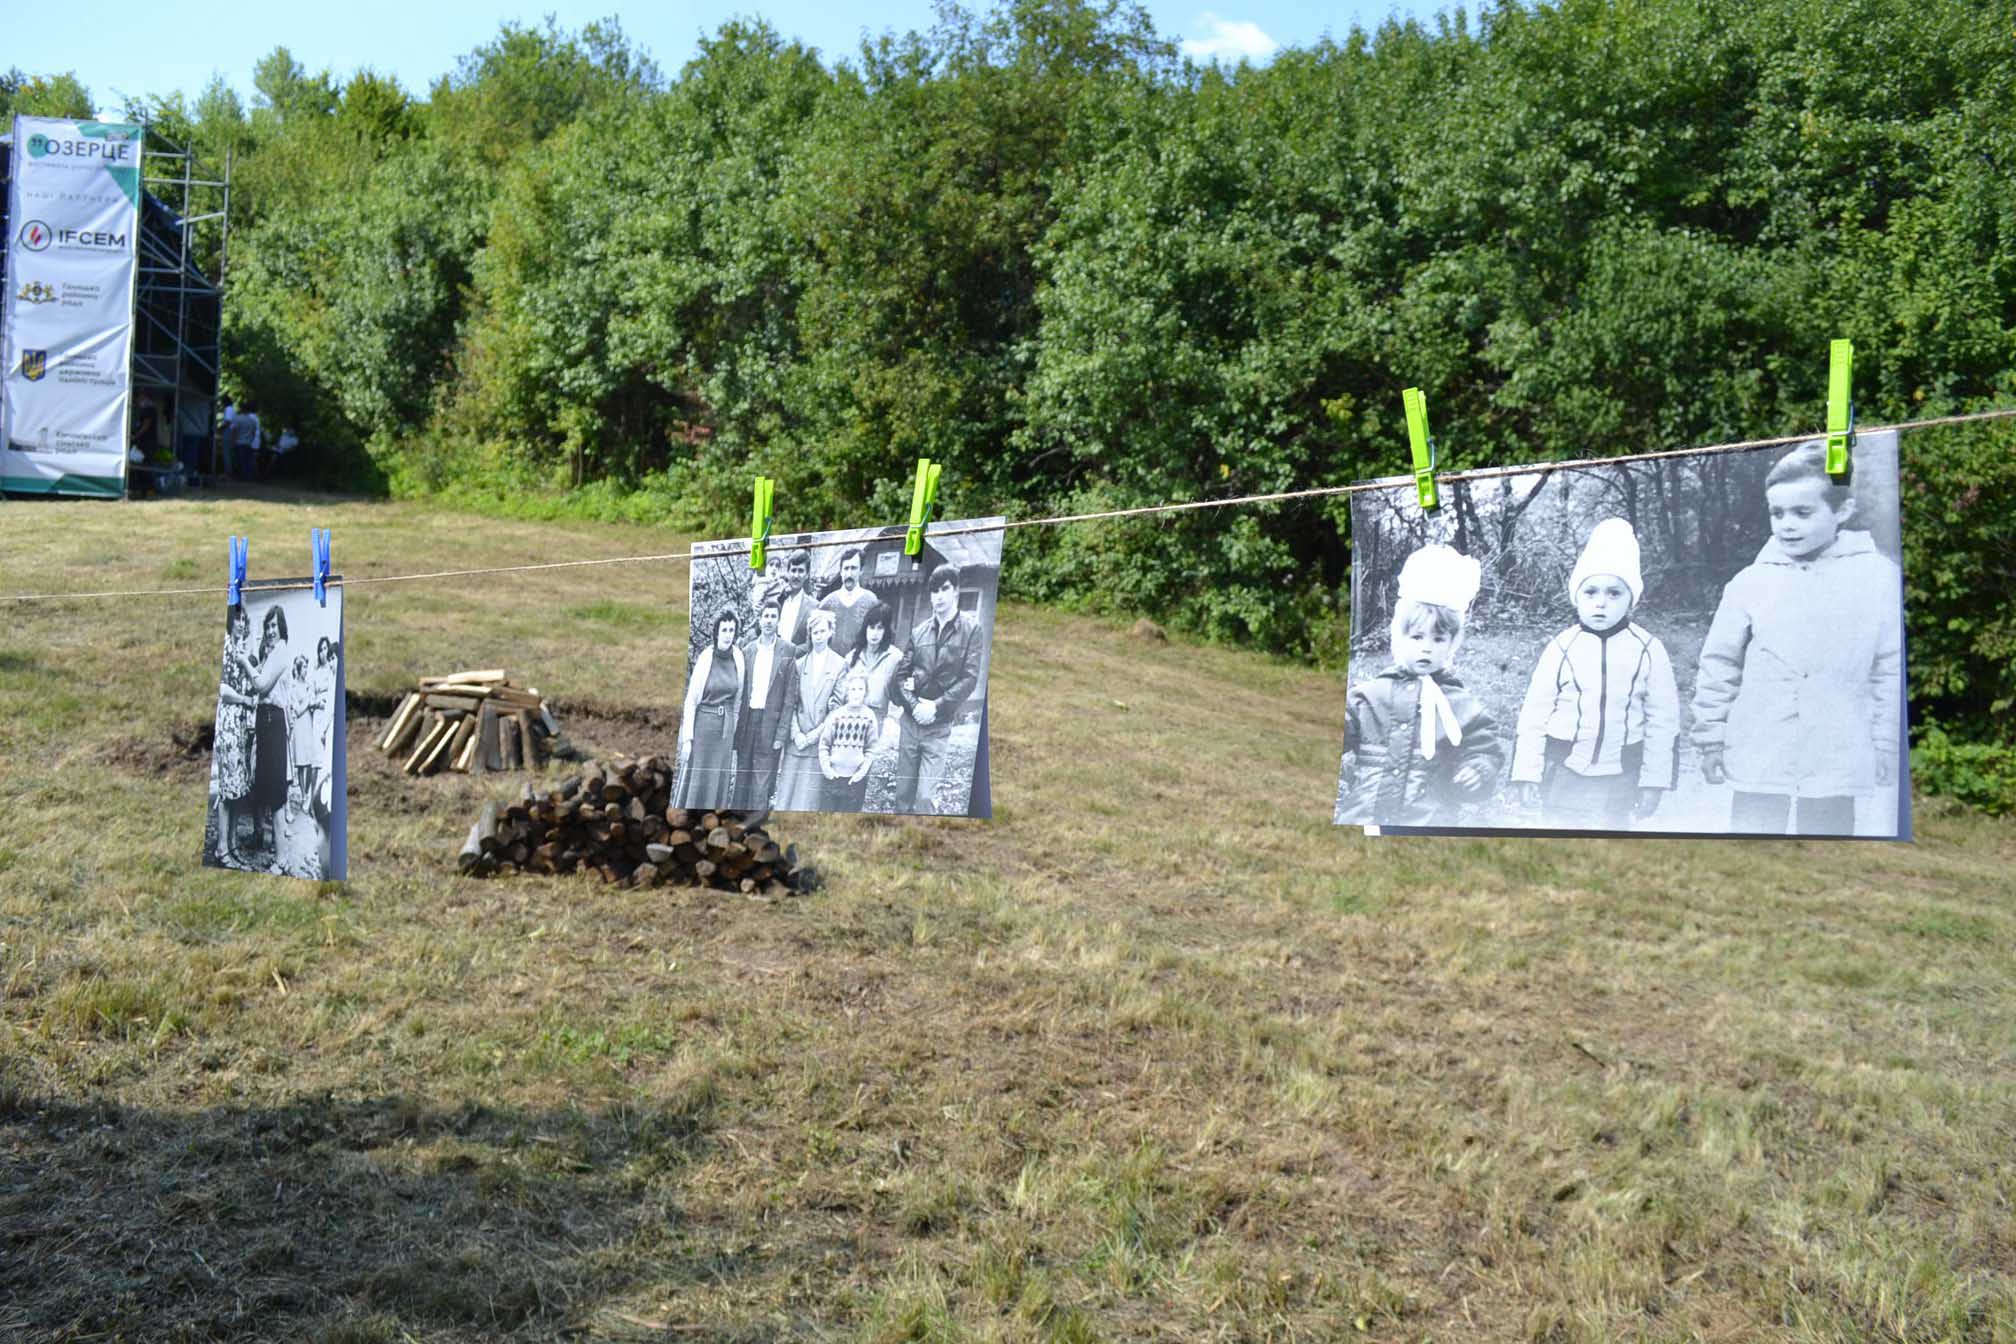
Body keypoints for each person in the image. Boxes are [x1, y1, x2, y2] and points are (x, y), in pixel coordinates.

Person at [1691, 443, 1902, 836]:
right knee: (1749, 850)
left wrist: (1886, 743)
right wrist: (1711, 739)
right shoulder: (1750, 583)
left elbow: (1890, 669)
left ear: (1842, 510)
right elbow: (1719, 666)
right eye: (1777, 513)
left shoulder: (1877, 579)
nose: (1787, 524)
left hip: (1837, 749)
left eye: (1803, 513)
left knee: (1827, 853)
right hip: (1760, 749)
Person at [1509, 518, 1680, 829]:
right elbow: (1534, 713)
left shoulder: (1648, 650)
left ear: (1631, 599)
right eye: (1590, 592)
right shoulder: (1561, 648)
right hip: (1564, 772)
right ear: (1577, 596)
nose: (1600, 603)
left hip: (1621, 776)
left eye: (1614, 593)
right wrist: (1526, 771)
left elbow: (1663, 721)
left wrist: (1654, 782)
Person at [1334, 545, 1503, 826]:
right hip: (1364, 818)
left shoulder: (1461, 704)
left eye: (1438, 640)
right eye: (1416, 637)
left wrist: (1478, 769)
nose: (1426, 649)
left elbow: (1484, 748)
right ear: (1399, 637)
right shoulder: (1368, 696)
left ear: (1452, 643)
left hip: (1429, 821)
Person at [891, 564, 984, 814]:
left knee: (924, 798)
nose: (938, 597)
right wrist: (914, 705)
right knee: (903, 795)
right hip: (910, 724)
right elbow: (901, 675)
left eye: (944, 589)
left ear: (956, 591)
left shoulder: (972, 629)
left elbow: (970, 678)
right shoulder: (919, 631)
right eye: (934, 591)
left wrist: (936, 706)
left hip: (939, 725)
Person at [772, 609, 849, 812]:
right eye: (815, 632)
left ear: (831, 632)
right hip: (796, 743)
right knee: (786, 798)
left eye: (823, 631)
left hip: (819, 743)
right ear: (810, 634)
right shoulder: (799, 664)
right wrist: (796, 733)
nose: (819, 636)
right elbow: (792, 703)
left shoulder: (840, 665)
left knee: (808, 801)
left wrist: (814, 736)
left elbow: (838, 708)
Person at [732, 588, 799, 812]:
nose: (769, 621)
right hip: (748, 720)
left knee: (761, 782)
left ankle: (756, 824)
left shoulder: (788, 650)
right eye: (765, 616)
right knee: (742, 775)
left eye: (773, 616)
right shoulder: (747, 650)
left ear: (778, 621)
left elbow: (790, 698)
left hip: (770, 724)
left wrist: (781, 734)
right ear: (759, 620)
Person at [676, 606, 745, 808]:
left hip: (725, 731)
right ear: (716, 631)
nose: (727, 635)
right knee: (698, 778)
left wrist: (732, 728)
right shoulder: (707, 657)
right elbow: (691, 700)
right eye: (724, 630)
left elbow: (738, 698)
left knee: (718, 781)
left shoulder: (738, 658)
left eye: (731, 630)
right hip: (704, 728)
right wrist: (688, 738)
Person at [242, 605, 294, 859]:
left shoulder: (281, 651)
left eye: (274, 625)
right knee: (265, 784)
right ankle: (270, 843)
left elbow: (261, 686)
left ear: (282, 627)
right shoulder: (272, 653)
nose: (271, 631)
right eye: (268, 626)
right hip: (265, 719)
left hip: (273, 719)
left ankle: (282, 858)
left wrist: (243, 661)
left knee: (274, 791)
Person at [209, 604, 257, 865]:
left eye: (243, 619)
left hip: (240, 723)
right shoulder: (227, 646)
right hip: (229, 719)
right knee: (228, 788)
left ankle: (234, 844)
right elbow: (223, 689)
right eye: (236, 618)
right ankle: (222, 848)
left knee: (239, 786)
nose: (240, 623)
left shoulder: (242, 648)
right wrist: (244, 700)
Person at [818, 670, 881, 811]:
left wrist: (861, 773)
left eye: (860, 689)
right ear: (847, 692)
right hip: (832, 778)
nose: (856, 693)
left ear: (866, 692)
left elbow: (872, 748)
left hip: (855, 780)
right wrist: (827, 769)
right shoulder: (837, 715)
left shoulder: (869, 716)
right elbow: (824, 745)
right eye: (852, 689)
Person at [817, 547, 879, 657]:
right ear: (840, 572)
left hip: (859, 665)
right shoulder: (827, 603)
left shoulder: (871, 602)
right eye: (846, 568)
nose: (849, 574)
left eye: (854, 568)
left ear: (861, 571)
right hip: (832, 666)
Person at [775, 549, 819, 648]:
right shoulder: (779, 600)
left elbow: (811, 643)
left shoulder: (814, 606)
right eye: (793, 570)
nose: (796, 575)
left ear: (807, 575)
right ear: (788, 573)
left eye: (801, 571)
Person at [229, 399, 262, 482]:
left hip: (239, 442)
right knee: (248, 461)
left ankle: (241, 477)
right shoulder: (252, 421)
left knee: (240, 461)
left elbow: (234, 431)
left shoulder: (238, 419)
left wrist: (232, 442)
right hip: (248, 443)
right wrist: (250, 440)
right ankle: (248, 477)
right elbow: (254, 432)